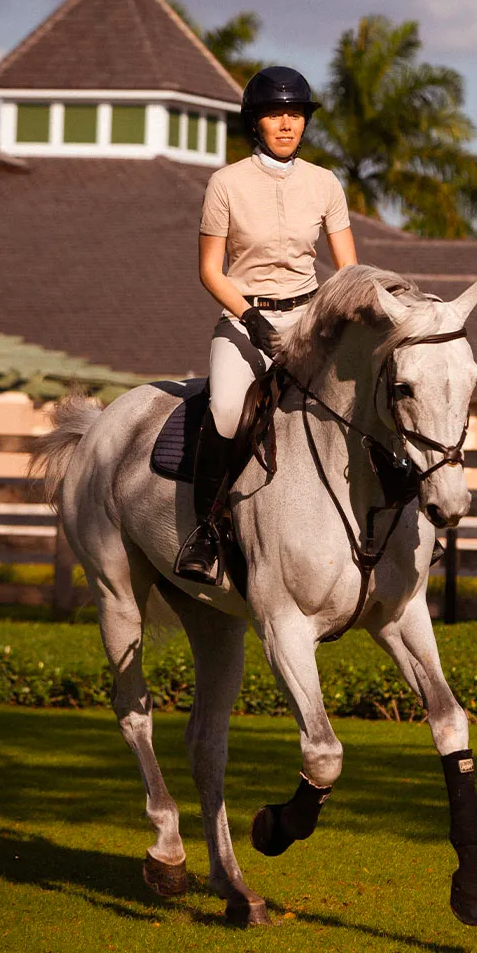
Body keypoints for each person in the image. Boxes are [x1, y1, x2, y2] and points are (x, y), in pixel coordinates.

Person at [175, 66, 358, 584]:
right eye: (276, 114)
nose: (286, 123)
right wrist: (251, 318)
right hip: (244, 314)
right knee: (229, 411)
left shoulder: (325, 183)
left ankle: (389, 515)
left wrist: (334, 322)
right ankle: (206, 533)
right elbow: (210, 269)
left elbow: (348, 269)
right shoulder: (225, 183)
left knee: (358, 401)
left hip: (309, 315)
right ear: (256, 122)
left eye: (295, 114)